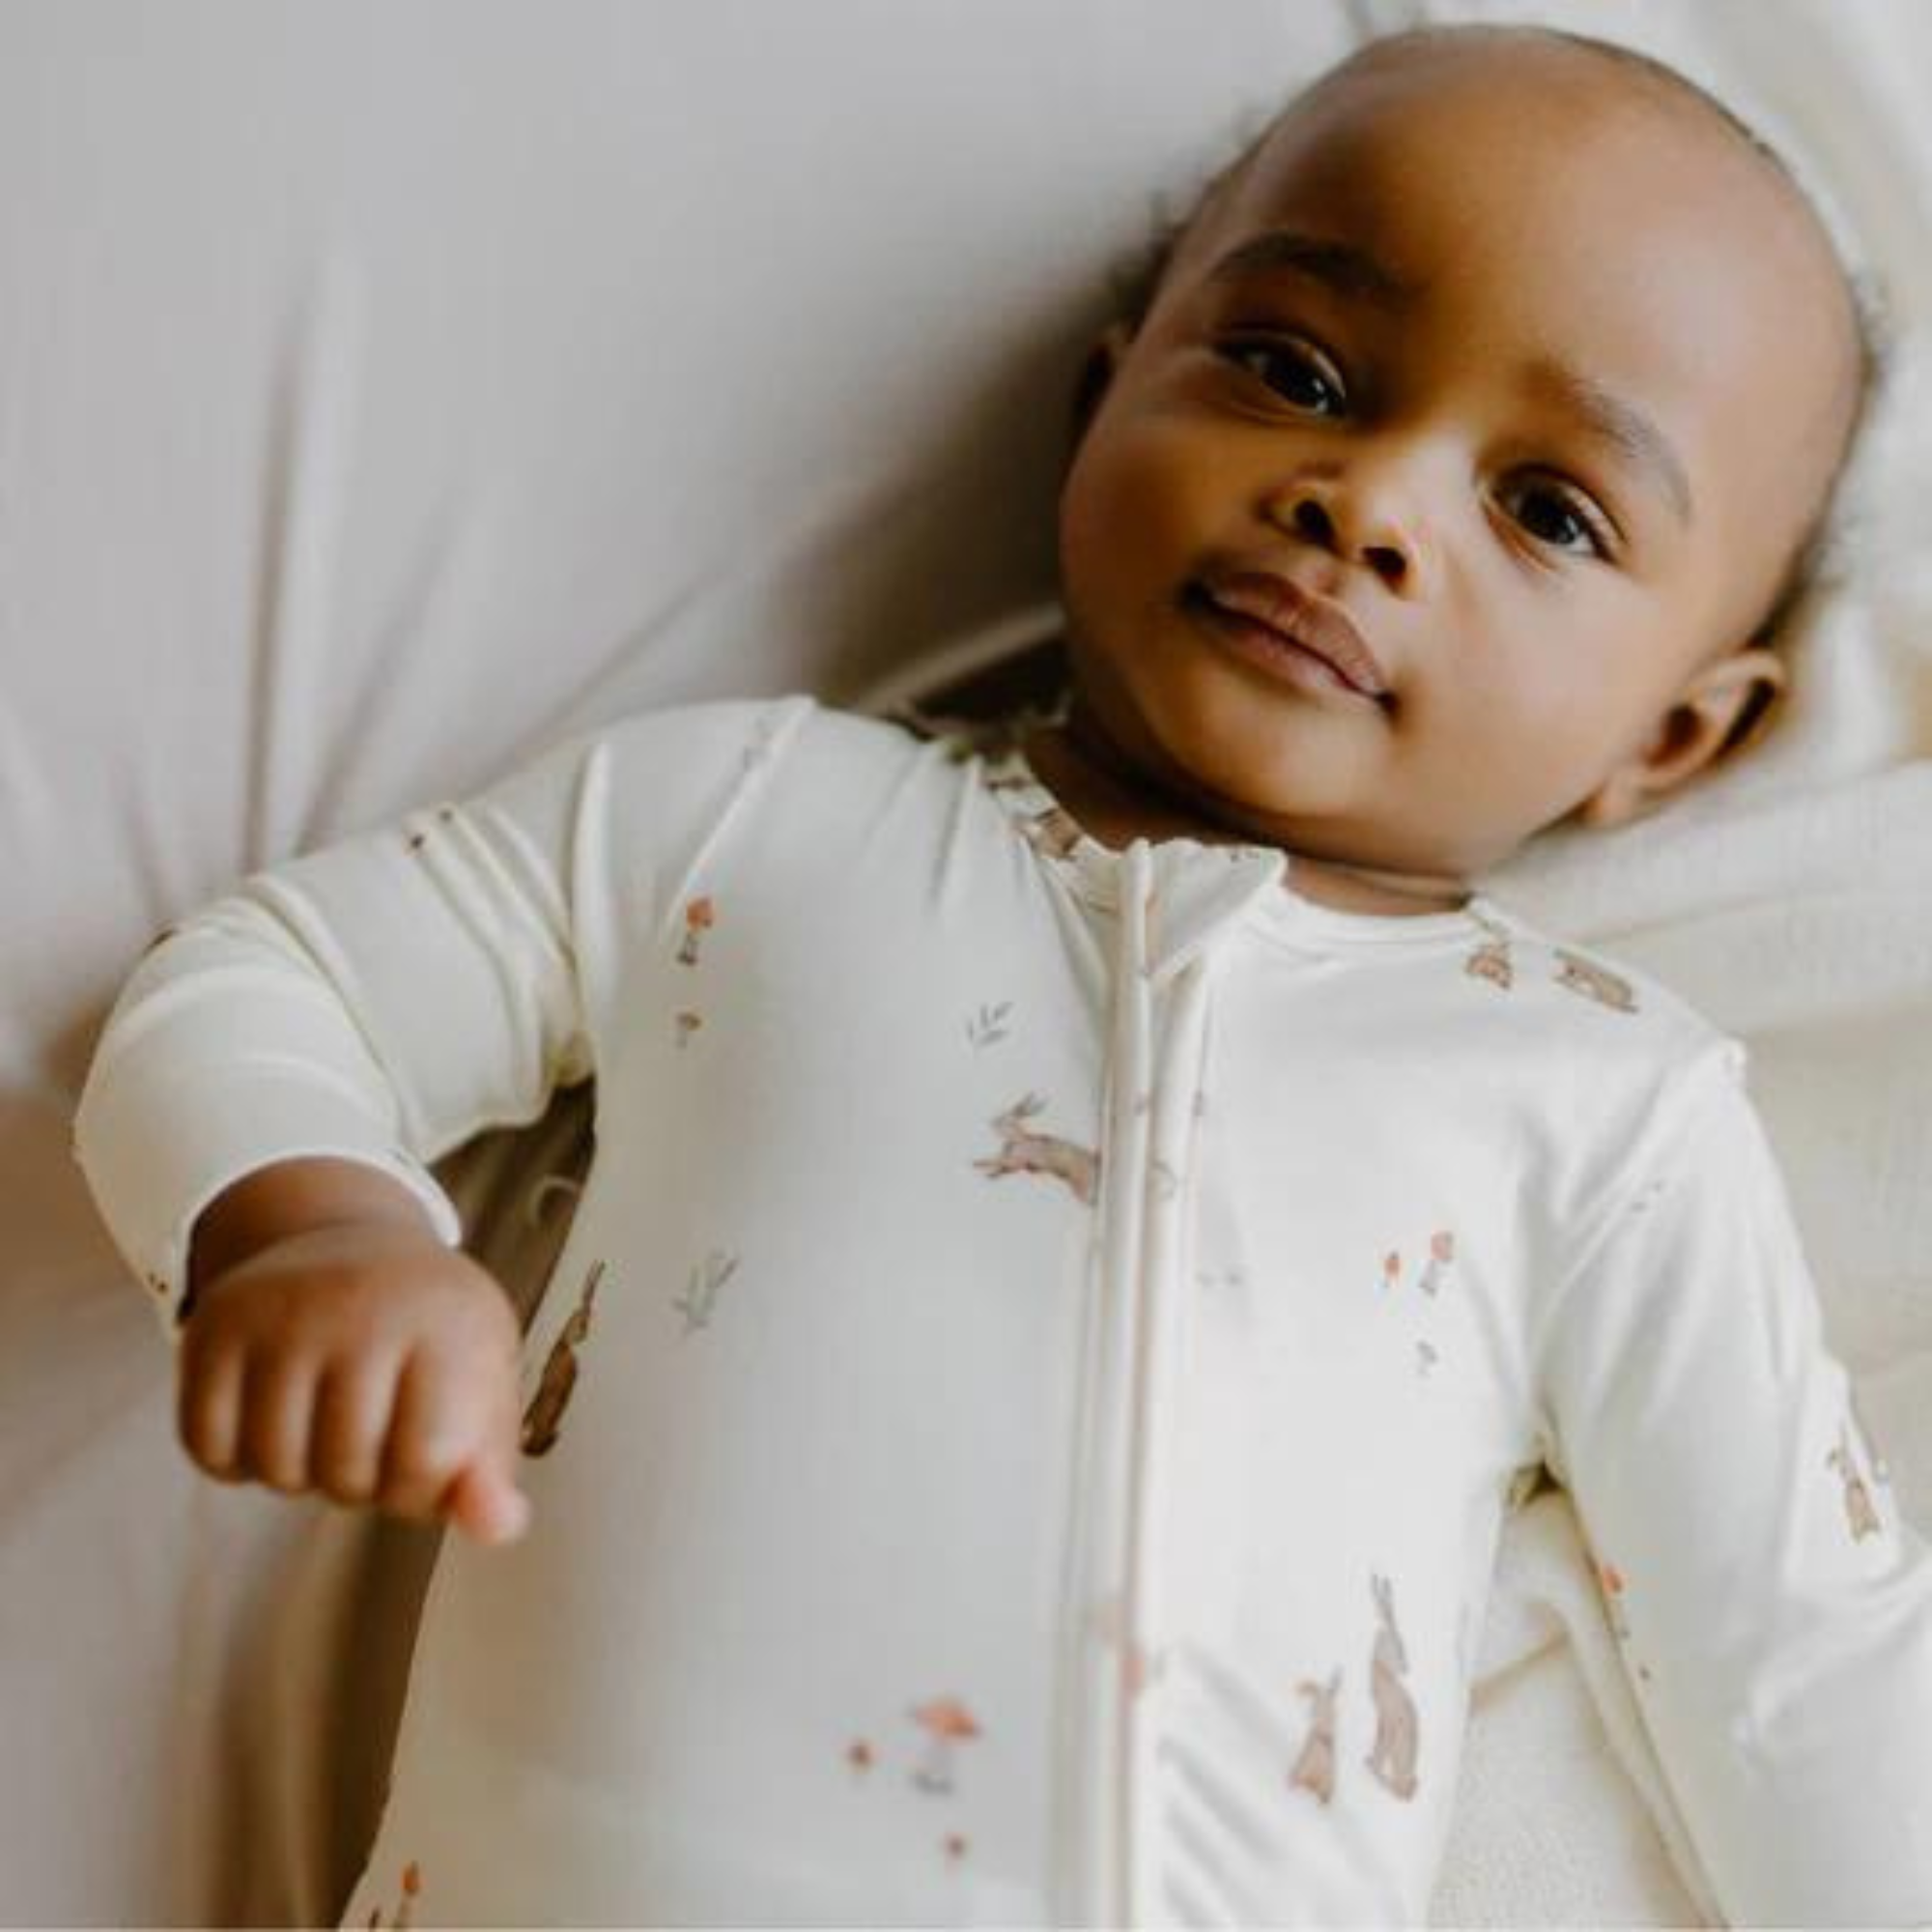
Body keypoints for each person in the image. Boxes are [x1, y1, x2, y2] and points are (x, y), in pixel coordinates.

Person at [72, 21, 1932, 1926]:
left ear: (1673, 738)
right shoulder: (751, 818)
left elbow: (1792, 1669)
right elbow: (265, 983)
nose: (1368, 500)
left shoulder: (1604, 1110)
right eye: (1292, 370)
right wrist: (306, 1228)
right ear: (1106, 401)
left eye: (1548, 510)